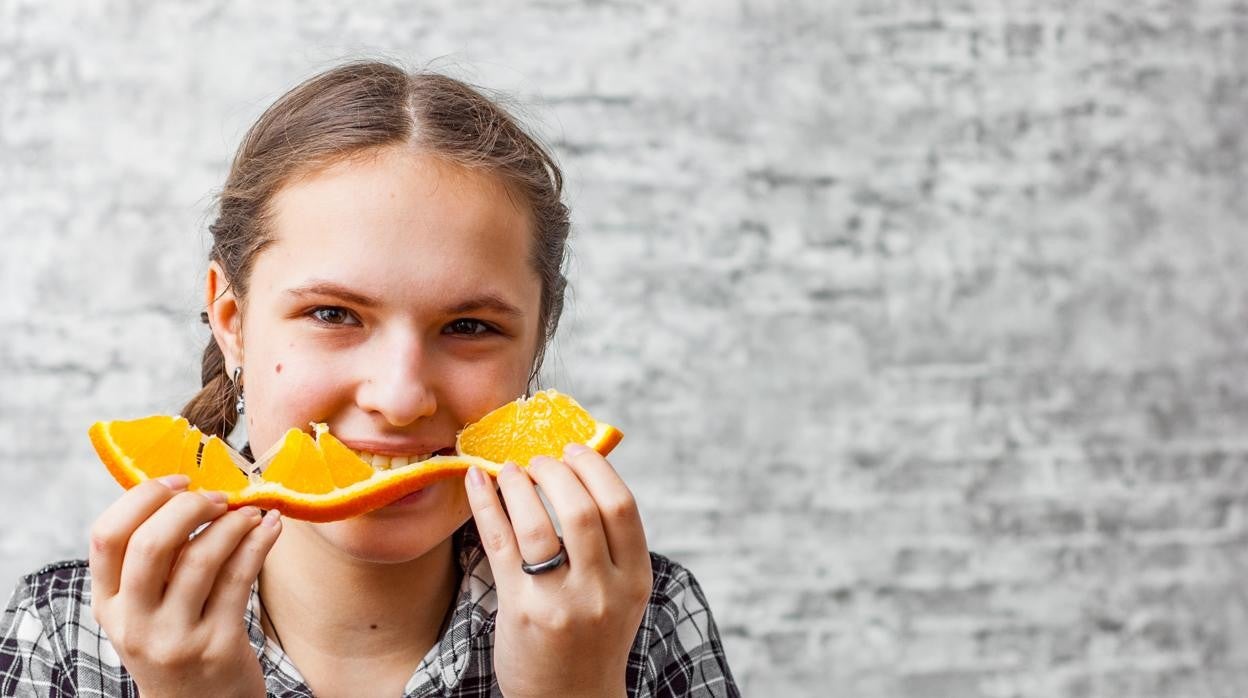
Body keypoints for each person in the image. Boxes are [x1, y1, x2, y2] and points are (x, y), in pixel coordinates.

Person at [0, 61, 739, 697]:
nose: (399, 396)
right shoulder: (68, 634)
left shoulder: (638, 618)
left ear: (535, 348)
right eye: (333, 314)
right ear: (230, 319)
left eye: (470, 327)